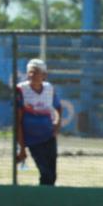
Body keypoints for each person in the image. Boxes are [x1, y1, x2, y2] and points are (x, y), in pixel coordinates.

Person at [14, 58, 62, 186]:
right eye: (29, 72)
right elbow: (17, 120)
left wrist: (57, 125)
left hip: (48, 136)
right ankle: (43, 198)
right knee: (45, 172)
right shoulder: (20, 90)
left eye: (35, 72)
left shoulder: (49, 88)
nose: (31, 75)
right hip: (32, 139)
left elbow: (57, 107)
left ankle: (47, 198)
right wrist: (21, 147)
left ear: (44, 75)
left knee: (52, 174)